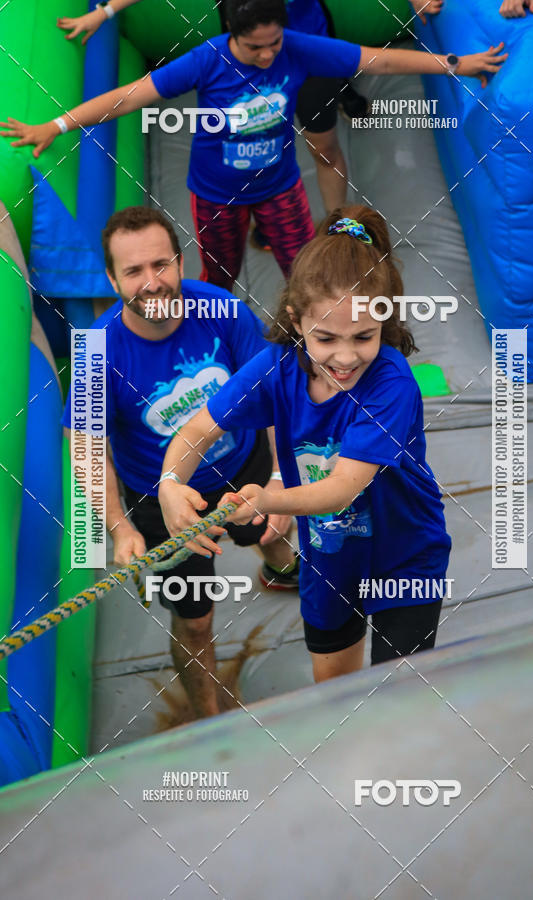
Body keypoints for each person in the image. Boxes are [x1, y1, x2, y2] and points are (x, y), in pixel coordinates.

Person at [2, 0, 507, 291]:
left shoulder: (299, 46)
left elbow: (381, 61)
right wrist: (57, 125)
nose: (268, 55)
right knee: (220, 279)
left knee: (307, 274)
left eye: (274, 43)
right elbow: (128, 97)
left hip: (279, 188)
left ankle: (309, 343)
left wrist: (457, 63)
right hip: (217, 194)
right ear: (231, 35)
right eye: (254, 47)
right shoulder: (206, 60)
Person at [158, 205, 452, 683]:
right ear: (296, 322)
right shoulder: (277, 367)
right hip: (332, 554)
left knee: (400, 701)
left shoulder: (391, 382)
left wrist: (267, 498)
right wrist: (171, 484)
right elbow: (197, 430)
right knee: (334, 695)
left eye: (364, 337)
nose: (345, 356)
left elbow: (341, 489)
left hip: (405, 555)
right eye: (326, 337)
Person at [61, 206, 297, 718]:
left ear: (181, 261)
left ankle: (282, 570)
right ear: (112, 278)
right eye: (134, 271)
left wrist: (282, 477)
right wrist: (121, 529)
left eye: (160, 265)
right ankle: (208, 720)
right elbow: (85, 446)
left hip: (245, 463)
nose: (152, 282)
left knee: (276, 534)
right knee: (194, 623)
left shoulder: (225, 313)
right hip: (160, 501)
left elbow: (275, 393)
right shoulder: (97, 353)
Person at [57, 0, 368, 217]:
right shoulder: (230, 52)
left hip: (310, 59)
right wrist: (104, 12)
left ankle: (334, 219)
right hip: (249, 68)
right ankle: (266, 206)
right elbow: (134, 94)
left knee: (324, 148)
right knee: (251, 141)